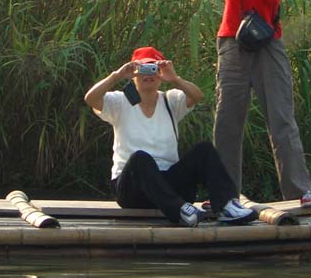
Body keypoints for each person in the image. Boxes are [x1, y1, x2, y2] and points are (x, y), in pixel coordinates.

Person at [198, 0, 311, 206]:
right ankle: (224, 194)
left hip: (268, 46)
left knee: (281, 118)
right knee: (227, 121)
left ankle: (299, 192)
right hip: (231, 44)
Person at [84, 46, 255, 227]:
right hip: (133, 189)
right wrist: (117, 75)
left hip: (169, 184)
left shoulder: (170, 100)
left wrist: (174, 78)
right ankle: (180, 211)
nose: (147, 74)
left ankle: (227, 206)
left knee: (204, 150)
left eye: (153, 68)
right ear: (133, 73)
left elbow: (197, 96)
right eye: (142, 69)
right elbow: (90, 98)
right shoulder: (120, 101)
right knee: (140, 159)